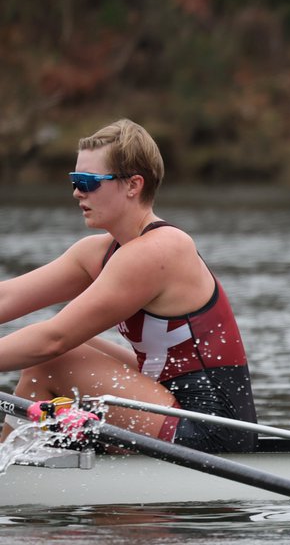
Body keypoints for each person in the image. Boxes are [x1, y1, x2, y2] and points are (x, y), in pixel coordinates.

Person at [0, 119, 257, 451]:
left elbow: (53, 340)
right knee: (57, 349)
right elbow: (7, 296)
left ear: (133, 185)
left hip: (212, 430)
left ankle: (14, 456)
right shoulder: (97, 253)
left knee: (51, 358)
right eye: (75, 180)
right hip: (167, 403)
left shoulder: (160, 250)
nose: (77, 192)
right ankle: (15, 454)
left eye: (88, 182)